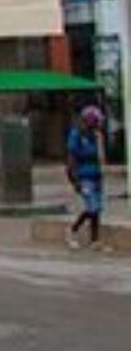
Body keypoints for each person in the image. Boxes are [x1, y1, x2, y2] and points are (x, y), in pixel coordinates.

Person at [67, 106, 109, 250]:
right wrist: (75, 179)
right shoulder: (76, 135)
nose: (98, 124)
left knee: (97, 209)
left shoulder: (97, 136)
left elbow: (101, 157)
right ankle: (73, 230)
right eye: (96, 121)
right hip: (83, 176)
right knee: (92, 207)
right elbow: (72, 158)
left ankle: (95, 240)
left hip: (96, 176)